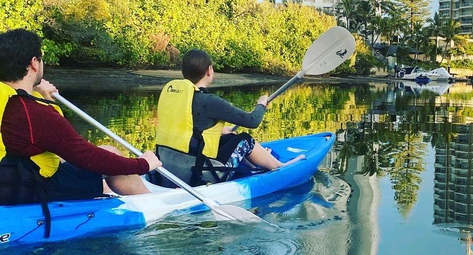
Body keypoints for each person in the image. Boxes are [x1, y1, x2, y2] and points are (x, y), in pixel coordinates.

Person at [0, 28, 162, 208]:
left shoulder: (13, 103)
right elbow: (87, 156)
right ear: (34, 64)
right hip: (33, 189)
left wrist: (41, 95)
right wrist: (143, 165)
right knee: (110, 162)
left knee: (110, 151)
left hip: (15, 177)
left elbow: (43, 140)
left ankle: (114, 194)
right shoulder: (33, 112)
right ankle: (154, 208)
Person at [154, 49, 303, 186]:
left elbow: (189, 128)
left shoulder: (174, 97)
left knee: (231, 136)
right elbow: (253, 121)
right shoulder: (209, 101)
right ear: (209, 71)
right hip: (199, 174)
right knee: (245, 140)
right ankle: (279, 167)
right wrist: (261, 105)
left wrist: (217, 130)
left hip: (169, 166)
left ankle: (257, 162)